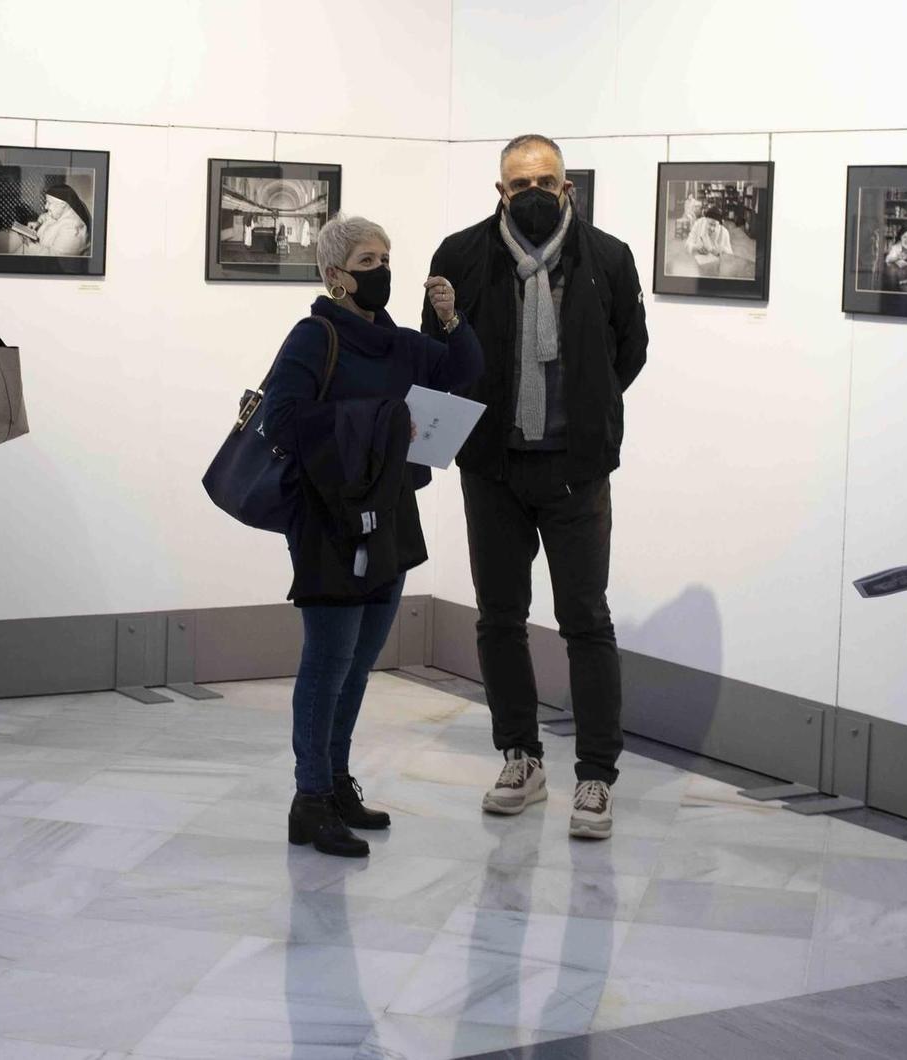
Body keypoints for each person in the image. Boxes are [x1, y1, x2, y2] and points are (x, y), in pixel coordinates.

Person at [423, 134, 647, 840]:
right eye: (520, 184)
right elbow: (438, 352)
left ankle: (596, 777)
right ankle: (520, 755)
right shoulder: (460, 255)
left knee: (586, 620)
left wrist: (583, 409)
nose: (534, 193)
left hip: (575, 469)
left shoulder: (606, 258)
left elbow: (628, 351)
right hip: (493, 466)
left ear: (568, 186)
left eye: (546, 180)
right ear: (500, 191)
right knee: (499, 618)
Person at [262, 215, 483, 857]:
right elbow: (283, 419)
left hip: (390, 515)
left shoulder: (395, 339)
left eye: (385, 258)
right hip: (329, 520)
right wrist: (383, 421)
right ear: (335, 276)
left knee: (359, 666)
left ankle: (335, 784)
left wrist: (451, 319)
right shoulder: (314, 337)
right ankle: (308, 801)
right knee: (327, 663)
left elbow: (463, 376)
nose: (381, 271)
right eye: (367, 261)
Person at [20, 183, 89, 257]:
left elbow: (56, 259)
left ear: (63, 204)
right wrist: (38, 223)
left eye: (49, 203)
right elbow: (45, 216)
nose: (46, 207)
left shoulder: (73, 229)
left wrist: (30, 244)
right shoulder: (60, 212)